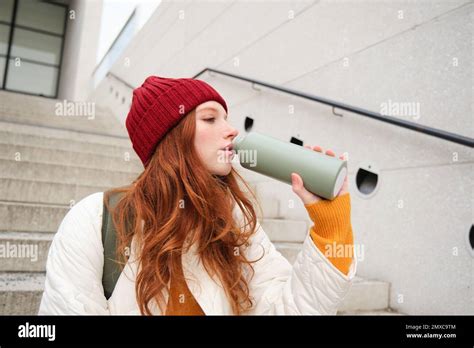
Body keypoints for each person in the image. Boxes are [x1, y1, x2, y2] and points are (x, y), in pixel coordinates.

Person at [38, 76, 356, 315]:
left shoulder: (234, 223)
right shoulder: (94, 221)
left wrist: (331, 229)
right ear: (171, 138)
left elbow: (286, 309)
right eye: (210, 118)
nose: (231, 129)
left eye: (226, 118)